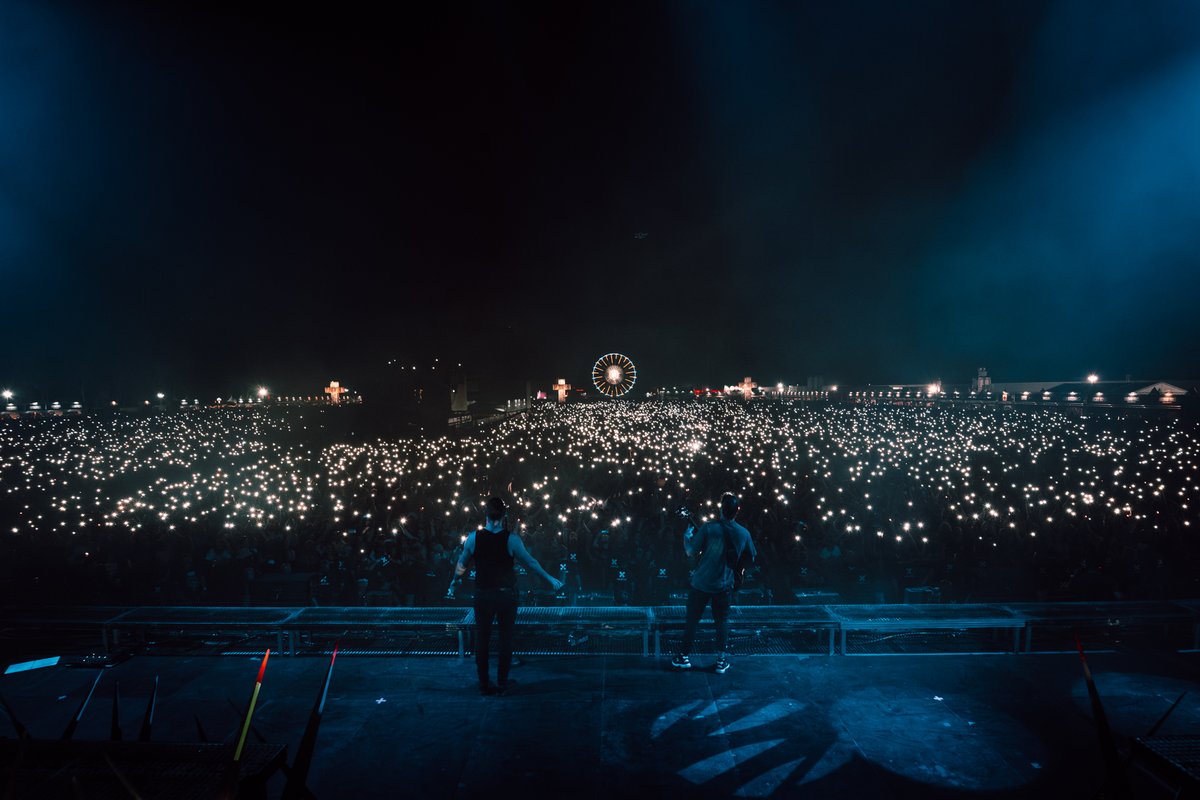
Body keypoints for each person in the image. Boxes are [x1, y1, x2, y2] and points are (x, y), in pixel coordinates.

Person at [450, 498, 564, 695]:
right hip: (505, 596)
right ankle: (502, 683)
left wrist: (454, 581)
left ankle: (484, 684)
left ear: (485, 514)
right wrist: (550, 578)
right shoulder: (512, 539)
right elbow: (530, 562)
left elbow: (462, 564)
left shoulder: (473, 538)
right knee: (505, 639)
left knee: (482, 638)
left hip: (483, 595)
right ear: (504, 516)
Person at [672, 492, 756, 674]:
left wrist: (686, 536)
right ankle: (721, 661)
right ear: (737, 510)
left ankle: (683, 657)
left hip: (701, 583)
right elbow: (751, 558)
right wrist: (738, 571)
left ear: (721, 508)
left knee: (692, 620)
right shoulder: (744, 533)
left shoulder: (709, 528)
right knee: (721, 622)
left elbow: (690, 552)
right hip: (724, 585)